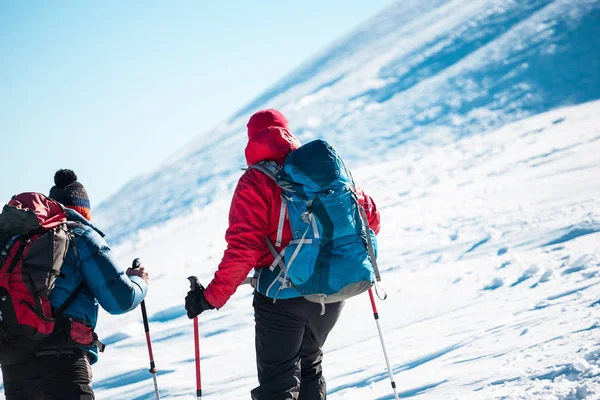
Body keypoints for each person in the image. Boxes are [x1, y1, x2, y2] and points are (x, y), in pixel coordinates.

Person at [185, 109, 380, 399]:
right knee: (311, 370)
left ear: (252, 140)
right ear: (287, 133)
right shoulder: (323, 171)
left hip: (282, 298)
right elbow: (371, 220)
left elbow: (243, 250)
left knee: (279, 386)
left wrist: (209, 297)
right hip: (331, 291)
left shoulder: (256, 181)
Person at [0, 169, 150, 400]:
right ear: (83, 211)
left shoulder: (14, 243)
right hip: (64, 362)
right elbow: (120, 300)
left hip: (16, 368)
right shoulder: (79, 235)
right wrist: (140, 281)